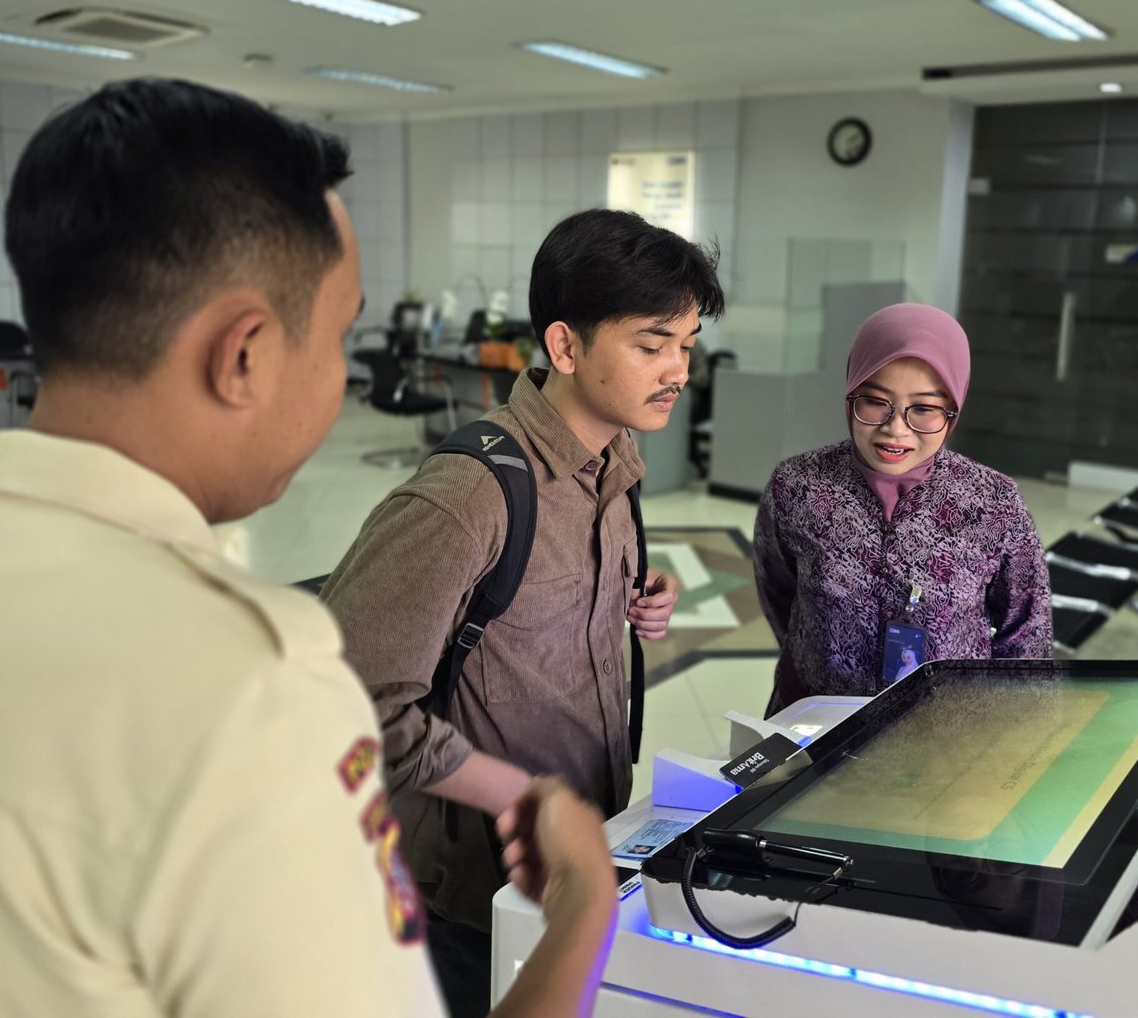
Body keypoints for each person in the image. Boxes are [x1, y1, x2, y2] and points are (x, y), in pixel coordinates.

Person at [0, 79, 617, 1018]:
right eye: (338, 335)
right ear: (244, 354)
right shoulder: (257, 690)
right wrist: (582, 910)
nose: (339, 373)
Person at [322, 208, 725, 1018]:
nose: (678, 370)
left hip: (580, 859)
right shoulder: (468, 495)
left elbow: (536, 608)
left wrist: (633, 598)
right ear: (565, 346)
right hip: (468, 900)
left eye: (686, 345)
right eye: (652, 345)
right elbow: (346, 705)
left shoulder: (613, 463)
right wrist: (523, 796)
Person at [753, 302, 1051, 715]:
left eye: (924, 408)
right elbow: (779, 596)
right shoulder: (798, 487)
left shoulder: (993, 502)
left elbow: (1027, 634)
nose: (895, 429)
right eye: (876, 401)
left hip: (946, 728)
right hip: (816, 718)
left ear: (953, 407)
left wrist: (1004, 732)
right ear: (851, 394)